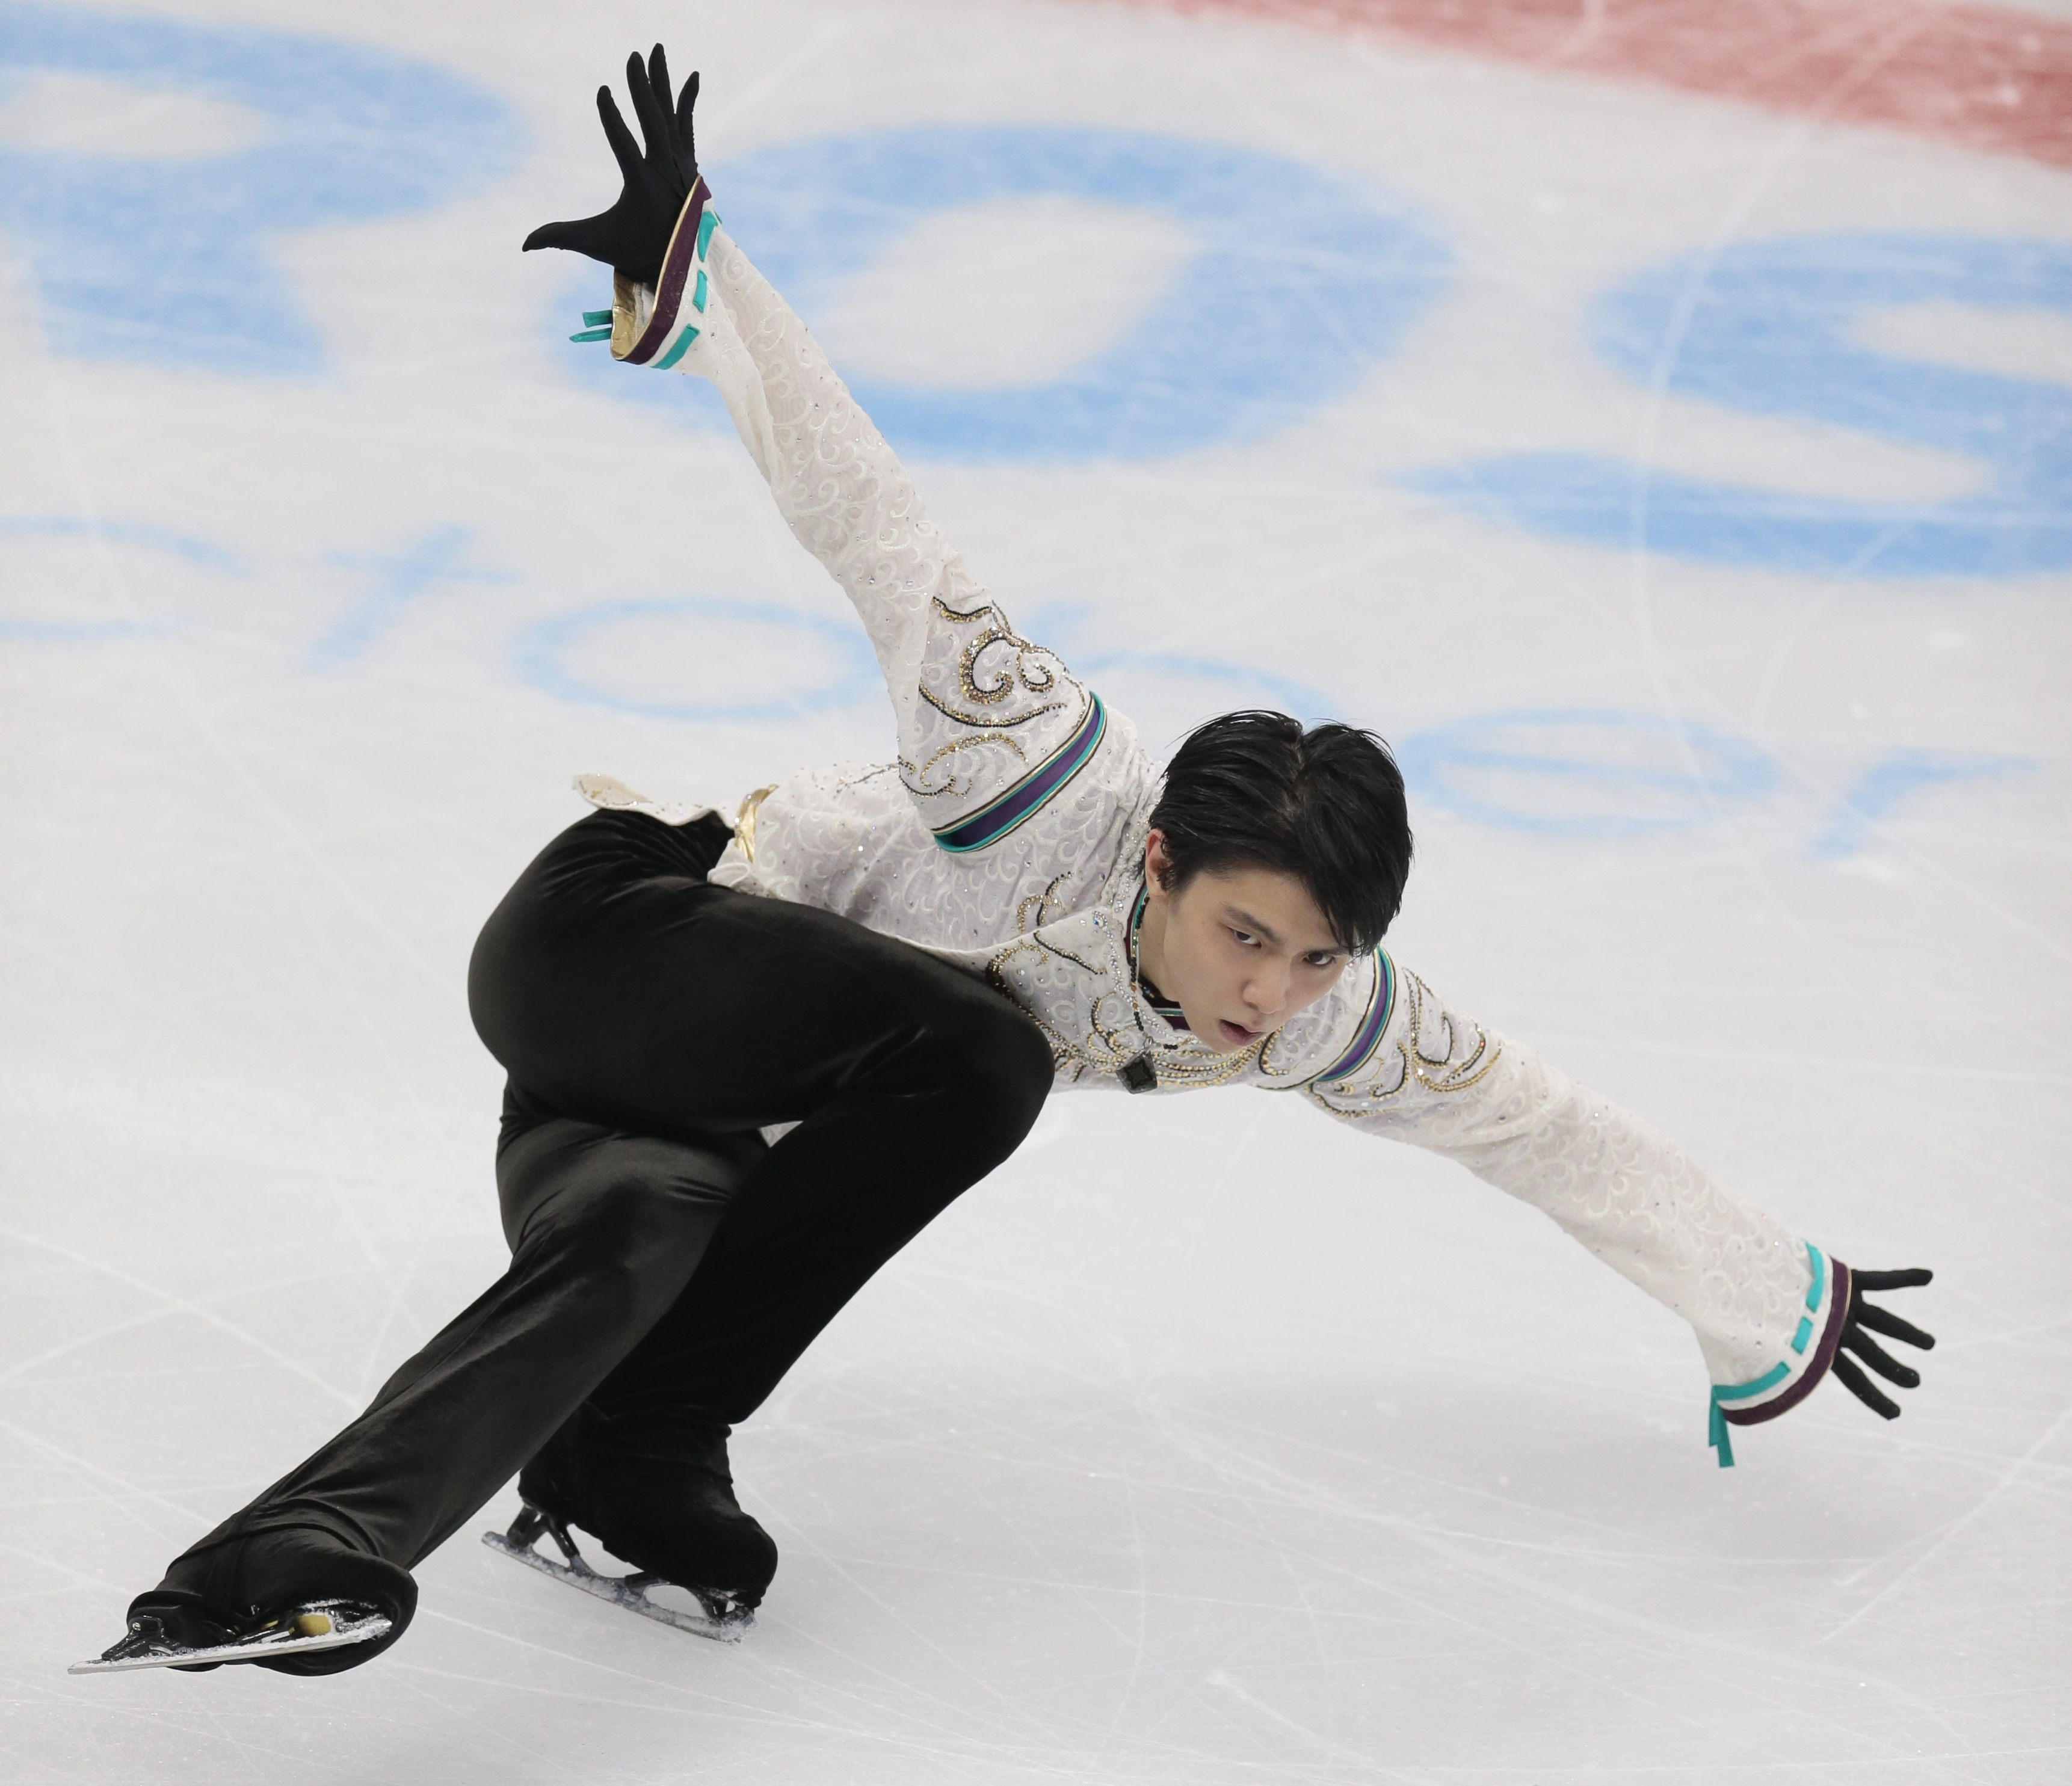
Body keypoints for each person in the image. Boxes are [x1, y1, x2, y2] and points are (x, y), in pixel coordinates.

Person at [81, 46, 1933, 1679]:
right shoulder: (1033, 752)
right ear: (1159, 853)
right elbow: (870, 512)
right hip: (615, 940)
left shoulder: (1313, 1013)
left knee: (638, 1244)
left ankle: (322, 1545)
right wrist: (693, 281)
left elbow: (1533, 1119)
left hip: (685, 1103)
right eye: (1244, 935)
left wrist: (1766, 1289)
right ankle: (623, 1424)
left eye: (1306, 962)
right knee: (972, 1059)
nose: (1263, 993)